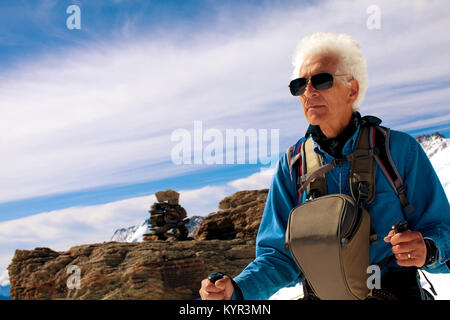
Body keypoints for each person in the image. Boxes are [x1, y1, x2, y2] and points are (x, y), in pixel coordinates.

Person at [199, 32, 450, 300]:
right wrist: (236, 290)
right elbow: (277, 256)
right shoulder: (292, 164)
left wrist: (429, 249)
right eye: (299, 85)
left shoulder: (397, 150)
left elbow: (443, 231)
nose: (308, 92)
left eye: (321, 80)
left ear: (352, 89)